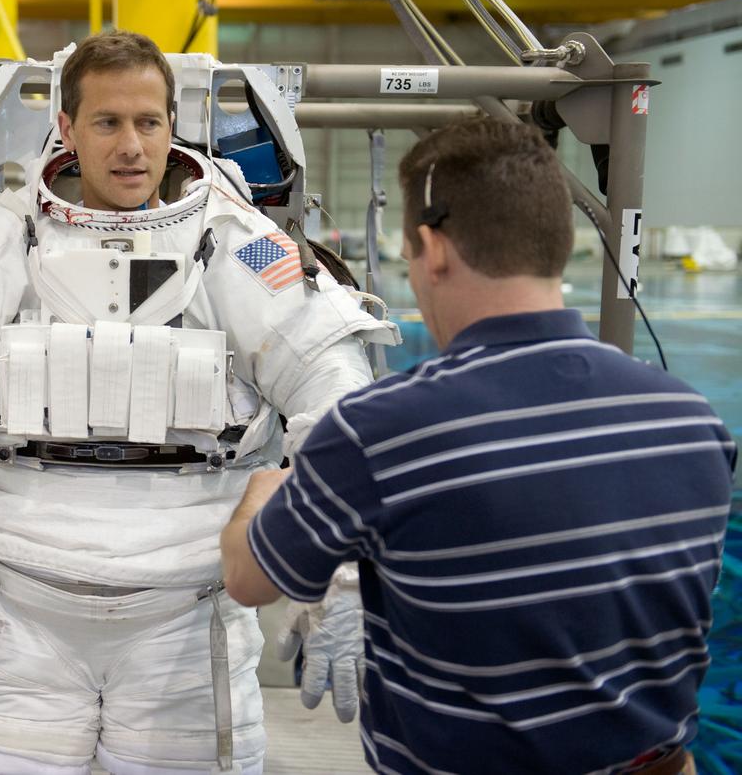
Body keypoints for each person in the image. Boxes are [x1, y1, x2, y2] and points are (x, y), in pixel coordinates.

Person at [0, 30, 398, 774]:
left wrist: (338, 567)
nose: (131, 147)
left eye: (149, 122)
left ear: (172, 126)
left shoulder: (239, 245)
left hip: (186, 627)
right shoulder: (4, 241)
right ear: (66, 127)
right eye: (107, 122)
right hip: (19, 623)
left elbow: (335, 396)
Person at [221, 118, 736, 775]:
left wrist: (259, 499)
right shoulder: (692, 420)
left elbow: (247, 578)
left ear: (433, 250)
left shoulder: (381, 429)